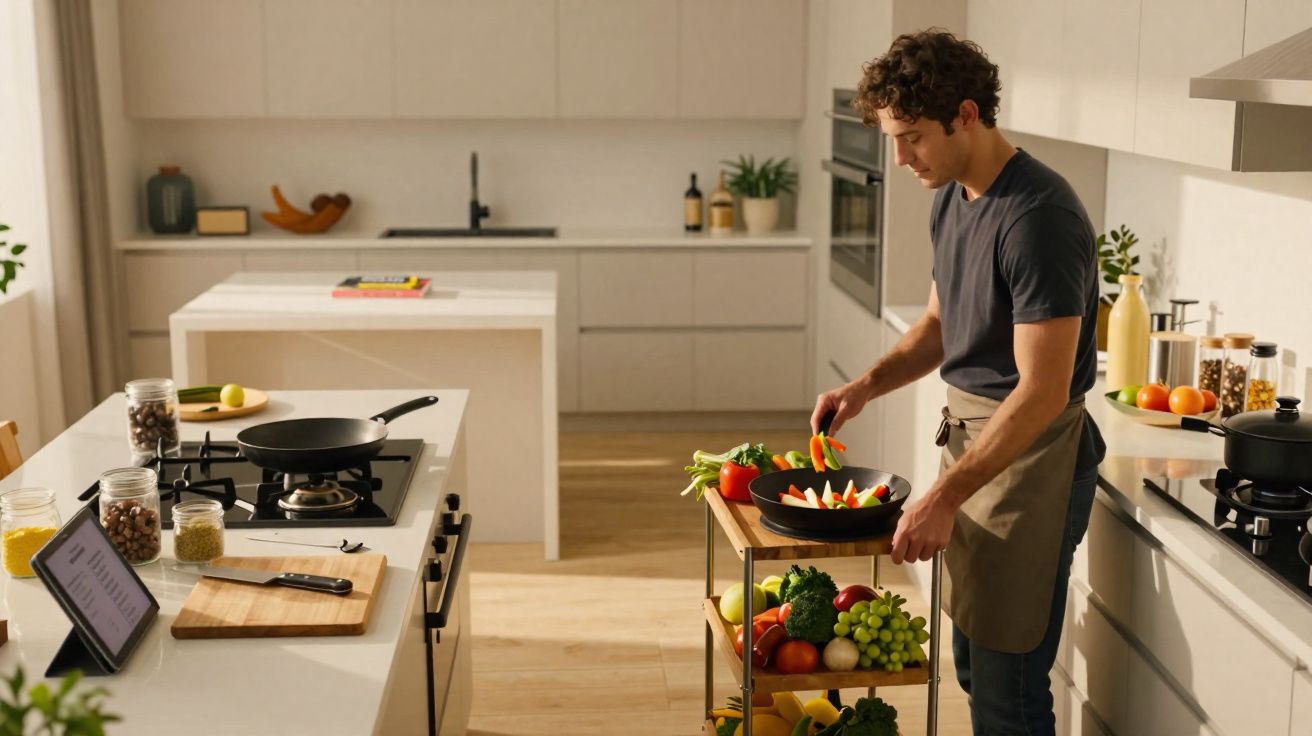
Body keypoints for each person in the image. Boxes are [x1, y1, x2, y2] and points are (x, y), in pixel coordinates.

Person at [810, 29, 1106, 735]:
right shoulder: (953, 195)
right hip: (976, 445)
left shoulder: (1039, 218)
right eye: (894, 137)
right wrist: (865, 387)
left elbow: (1041, 391)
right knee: (973, 664)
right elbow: (940, 328)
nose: (901, 157)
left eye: (911, 137)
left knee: (1010, 687)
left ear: (967, 115)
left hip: (1033, 459)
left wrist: (943, 494)